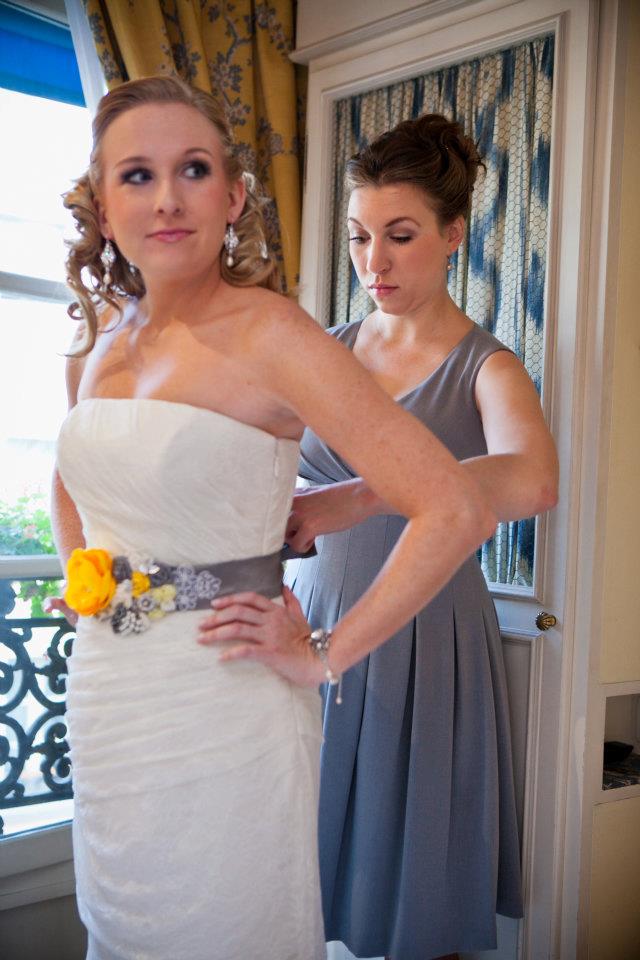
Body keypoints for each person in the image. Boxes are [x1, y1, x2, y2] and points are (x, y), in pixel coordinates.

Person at [49, 79, 496, 960]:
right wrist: (85, 578)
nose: (167, 198)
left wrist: (326, 652)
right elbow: (72, 481)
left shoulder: (274, 335)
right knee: (120, 924)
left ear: (233, 196)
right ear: (102, 204)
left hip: (226, 695)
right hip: (109, 691)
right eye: (137, 175)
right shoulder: (96, 340)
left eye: (193, 169)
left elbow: (454, 505)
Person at [281, 115, 559, 960]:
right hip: (306, 618)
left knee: (415, 888)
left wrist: (361, 496)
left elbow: (534, 479)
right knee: (291, 873)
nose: (375, 262)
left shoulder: (488, 366)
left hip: (424, 636)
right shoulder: (319, 350)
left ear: (453, 236)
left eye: (400, 237)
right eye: (360, 237)